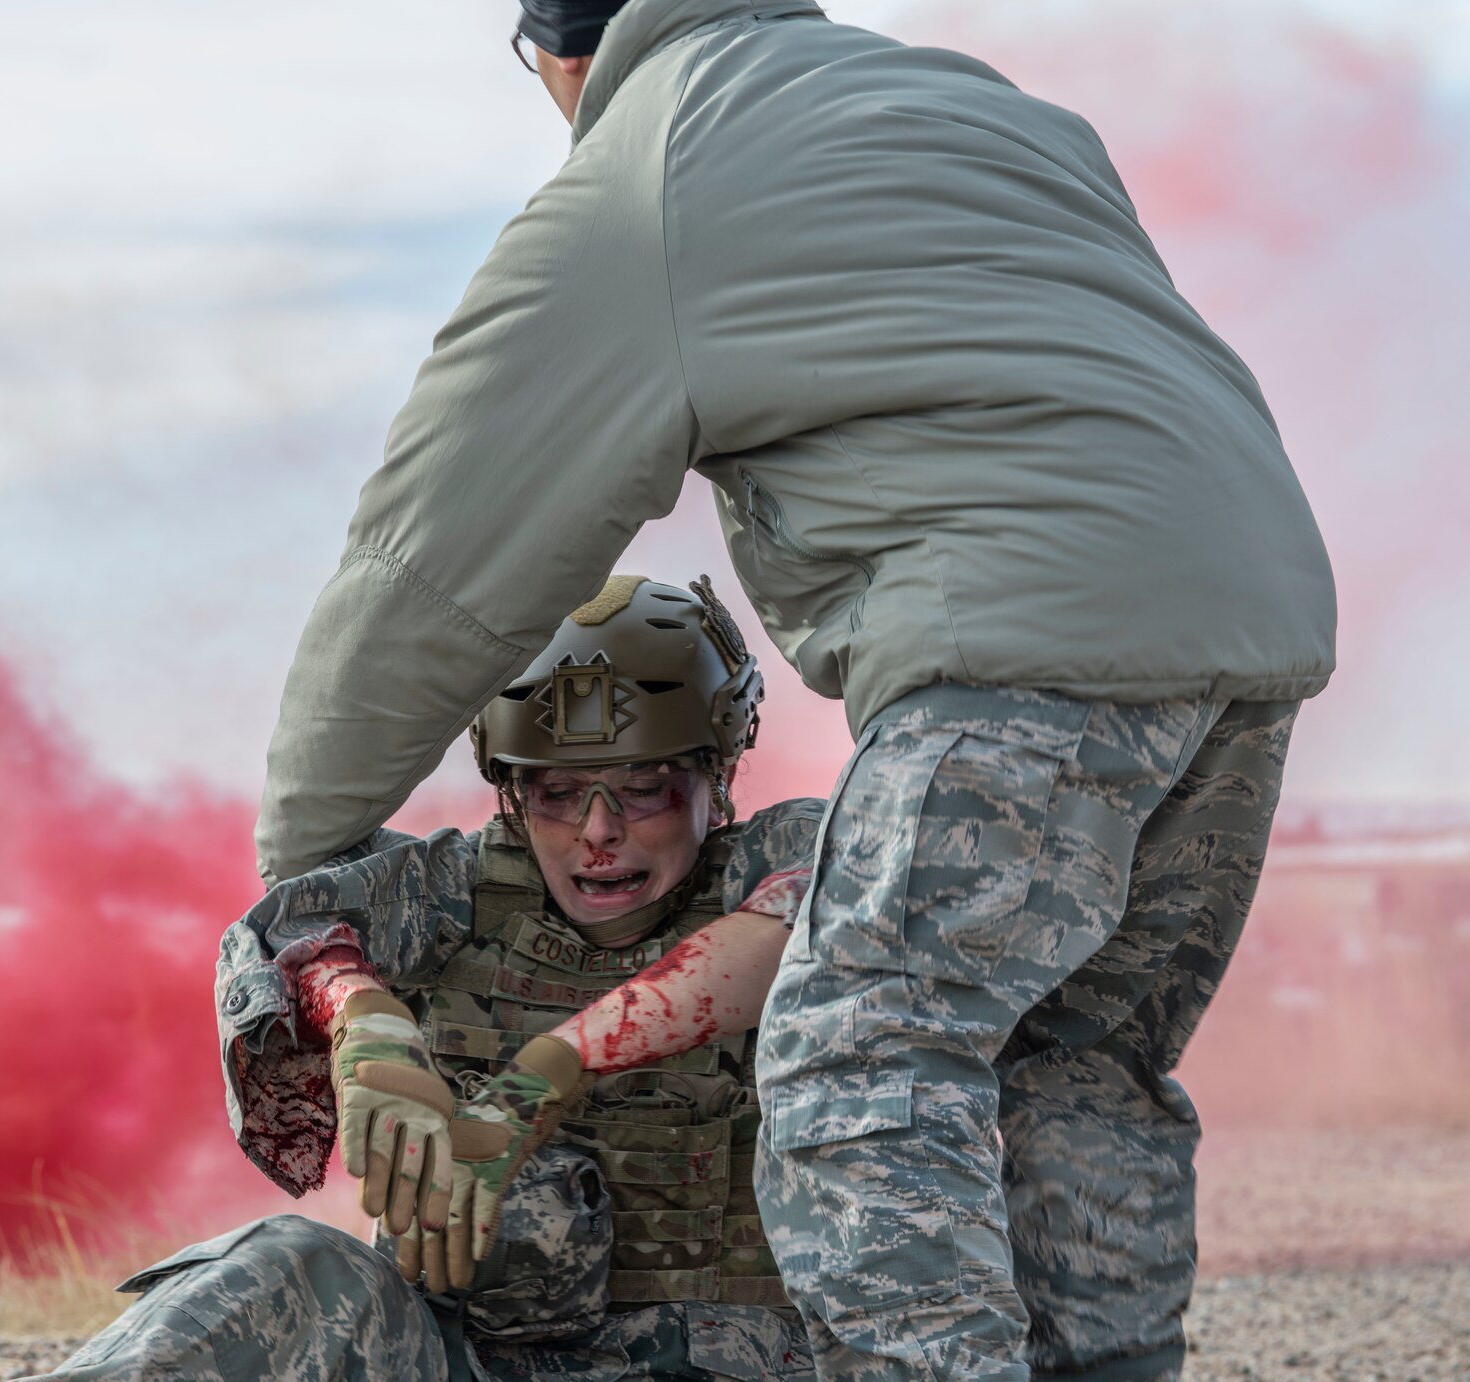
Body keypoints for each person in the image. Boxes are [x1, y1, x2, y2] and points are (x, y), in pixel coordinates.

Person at [255, 1, 1338, 1376]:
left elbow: (433, 561)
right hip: (1252, 616)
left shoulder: (643, 172)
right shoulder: (974, 106)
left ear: (562, 56)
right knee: (1067, 1061)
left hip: (1020, 641)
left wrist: (300, 857)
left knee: (859, 1065)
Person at [38, 578, 822, 1381]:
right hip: (468, 1359)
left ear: (717, 774)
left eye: (643, 789)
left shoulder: (792, 856)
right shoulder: (459, 893)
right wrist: (359, 1014)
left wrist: (553, 1069)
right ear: (512, 791)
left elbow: (798, 923)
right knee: (293, 1267)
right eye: (556, 792)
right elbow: (288, 927)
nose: (597, 831)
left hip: (731, 1358)